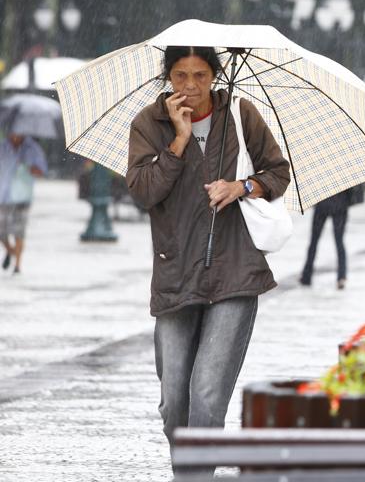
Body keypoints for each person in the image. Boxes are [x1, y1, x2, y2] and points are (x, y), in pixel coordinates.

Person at [126, 45, 290, 470]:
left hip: (235, 272)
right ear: (168, 77)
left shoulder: (240, 114)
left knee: (206, 398)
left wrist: (242, 187)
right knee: (174, 402)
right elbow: (144, 191)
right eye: (181, 75)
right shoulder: (149, 124)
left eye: (200, 75)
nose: (191, 86)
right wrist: (178, 142)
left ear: (214, 76)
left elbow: (278, 172)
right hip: (176, 274)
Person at [0, 133, 47, 274]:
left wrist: (30, 168)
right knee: (1, 231)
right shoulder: (3, 147)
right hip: (4, 195)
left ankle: (17, 265)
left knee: (19, 231)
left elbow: (41, 170)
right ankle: (11, 251)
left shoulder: (32, 149)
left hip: (23, 196)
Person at [300, 184, 363, 289]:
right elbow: (352, 189)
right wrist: (349, 201)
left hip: (322, 204)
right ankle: (341, 276)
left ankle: (307, 275)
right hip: (340, 204)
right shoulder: (345, 173)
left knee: (314, 241)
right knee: (339, 242)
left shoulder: (319, 173)